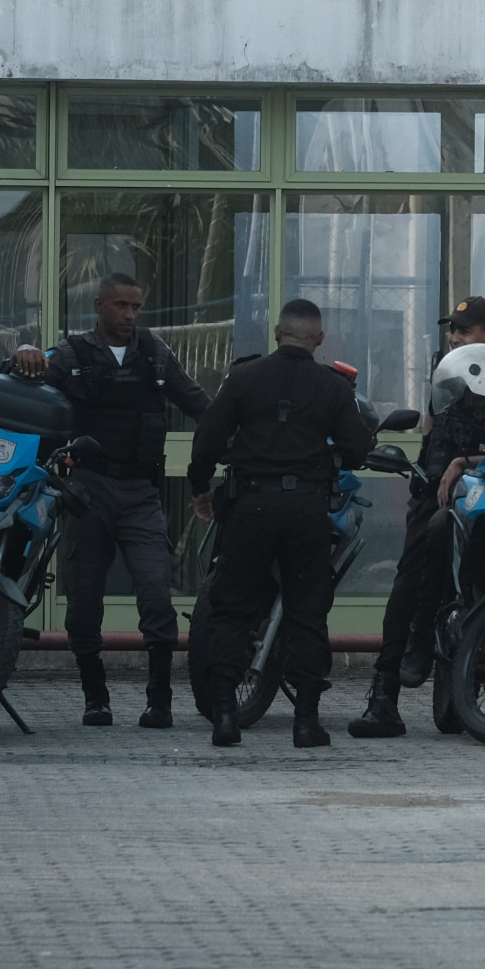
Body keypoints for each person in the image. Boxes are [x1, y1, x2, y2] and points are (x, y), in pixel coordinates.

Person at [14, 274, 210, 729]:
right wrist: (23, 355)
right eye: (121, 305)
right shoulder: (72, 354)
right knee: (83, 601)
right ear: (99, 305)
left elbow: (202, 404)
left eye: (136, 307)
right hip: (87, 490)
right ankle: (95, 696)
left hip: (140, 492)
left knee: (157, 595)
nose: (129, 315)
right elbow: (25, 377)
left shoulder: (156, 354)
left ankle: (159, 699)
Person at [188, 298, 376, 749]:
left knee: (231, 609)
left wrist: (200, 488)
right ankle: (306, 723)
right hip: (307, 511)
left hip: (249, 508)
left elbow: (208, 438)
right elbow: (356, 450)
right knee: (308, 613)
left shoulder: (244, 378)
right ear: (319, 339)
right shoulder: (333, 388)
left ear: (277, 333)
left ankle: (226, 717)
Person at [348, 296, 485, 739]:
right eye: (452, 329)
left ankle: (469, 683)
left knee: (482, 583)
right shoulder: (444, 369)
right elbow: (431, 427)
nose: (454, 337)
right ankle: (384, 697)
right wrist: (428, 472)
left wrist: (466, 463)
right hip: (434, 490)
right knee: (407, 585)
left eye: (465, 330)